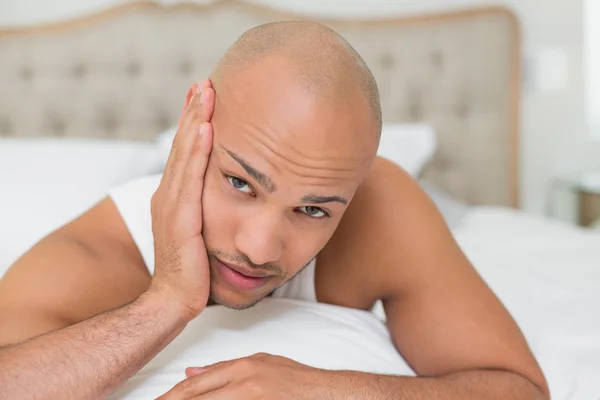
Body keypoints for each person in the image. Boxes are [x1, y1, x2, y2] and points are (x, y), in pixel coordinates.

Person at [0, 21, 549, 399]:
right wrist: (167, 300)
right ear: (195, 134)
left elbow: (516, 389)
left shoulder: (382, 208)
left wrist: (324, 389)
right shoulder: (93, 254)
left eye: (313, 211)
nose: (259, 248)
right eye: (240, 183)